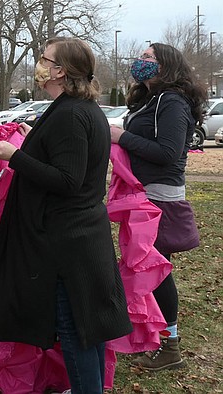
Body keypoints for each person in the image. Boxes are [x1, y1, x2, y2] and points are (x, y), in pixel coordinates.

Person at [0, 37, 132, 394]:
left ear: (61, 71)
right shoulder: (78, 109)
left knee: (77, 334)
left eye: (45, 60)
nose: (39, 65)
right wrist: (33, 141)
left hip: (68, 246)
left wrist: (14, 156)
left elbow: (68, 179)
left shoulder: (72, 113)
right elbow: (65, 157)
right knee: (86, 331)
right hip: (80, 237)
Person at [110, 43, 205, 371]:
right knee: (146, 271)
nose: (140, 61)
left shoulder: (174, 102)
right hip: (141, 195)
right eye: (141, 57)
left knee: (157, 272)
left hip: (160, 200)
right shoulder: (150, 99)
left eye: (148, 58)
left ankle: (170, 347)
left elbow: (168, 152)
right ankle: (153, 339)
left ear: (165, 66)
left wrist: (120, 137)